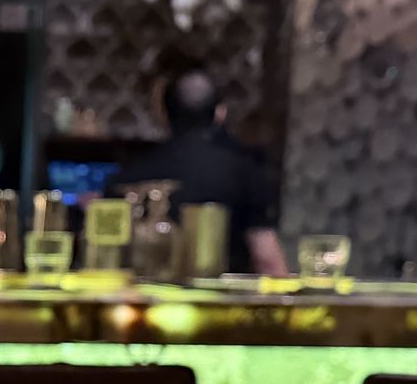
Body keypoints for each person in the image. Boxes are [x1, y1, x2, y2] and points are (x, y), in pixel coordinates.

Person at [109, 68, 287, 276]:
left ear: (163, 114)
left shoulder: (128, 173)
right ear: (219, 113)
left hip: (138, 305)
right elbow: (267, 261)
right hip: (218, 305)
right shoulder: (245, 171)